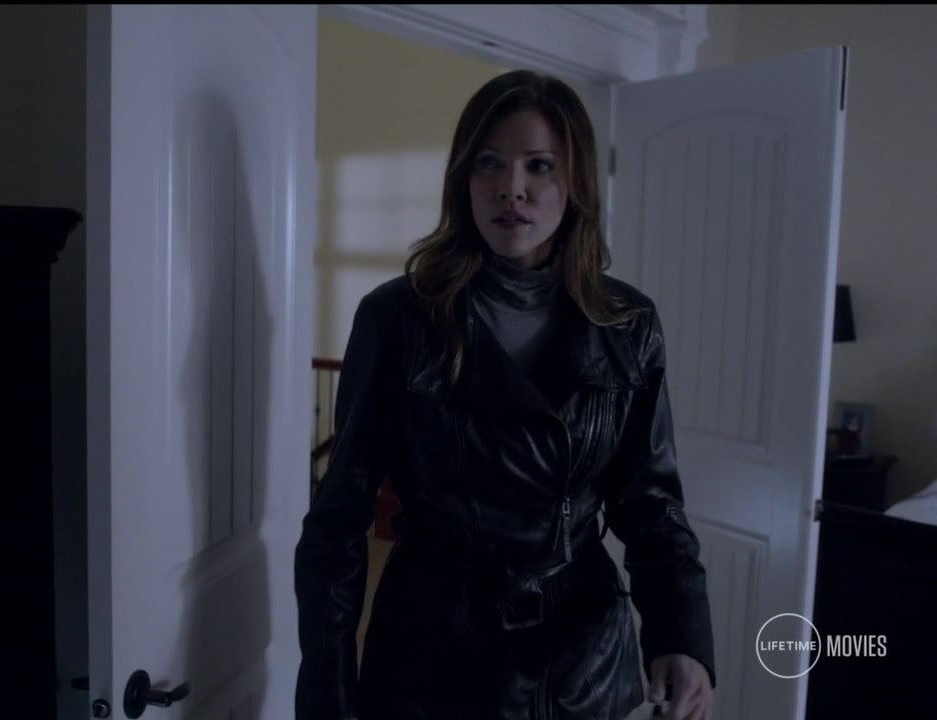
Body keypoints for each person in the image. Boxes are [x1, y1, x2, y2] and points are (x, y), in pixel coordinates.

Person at [293, 69, 717, 720]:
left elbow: (651, 506)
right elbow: (338, 521)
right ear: (463, 178)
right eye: (488, 162)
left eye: (538, 166)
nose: (510, 188)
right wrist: (329, 693)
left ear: (575, 183)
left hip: (580, 661)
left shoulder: (627, 325)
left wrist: (682, 636)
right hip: (433, 655)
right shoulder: (399, 318)